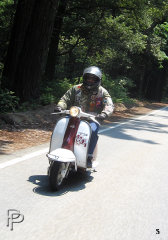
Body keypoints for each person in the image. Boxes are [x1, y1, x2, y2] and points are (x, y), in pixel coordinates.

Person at [54, 66, 114, 166]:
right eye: (88, 78)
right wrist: (60, 106)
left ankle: (89, 157)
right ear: (84, 78)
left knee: (93, 130)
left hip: (92, 119)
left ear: (98, 80)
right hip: (74, 116)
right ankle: (58, 148)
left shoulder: (102, 92)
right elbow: (65, 99)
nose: (90, 80)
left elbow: (109, 104)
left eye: (93, 78)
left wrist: (104, 114)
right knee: (61, 125)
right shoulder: (76, 89)